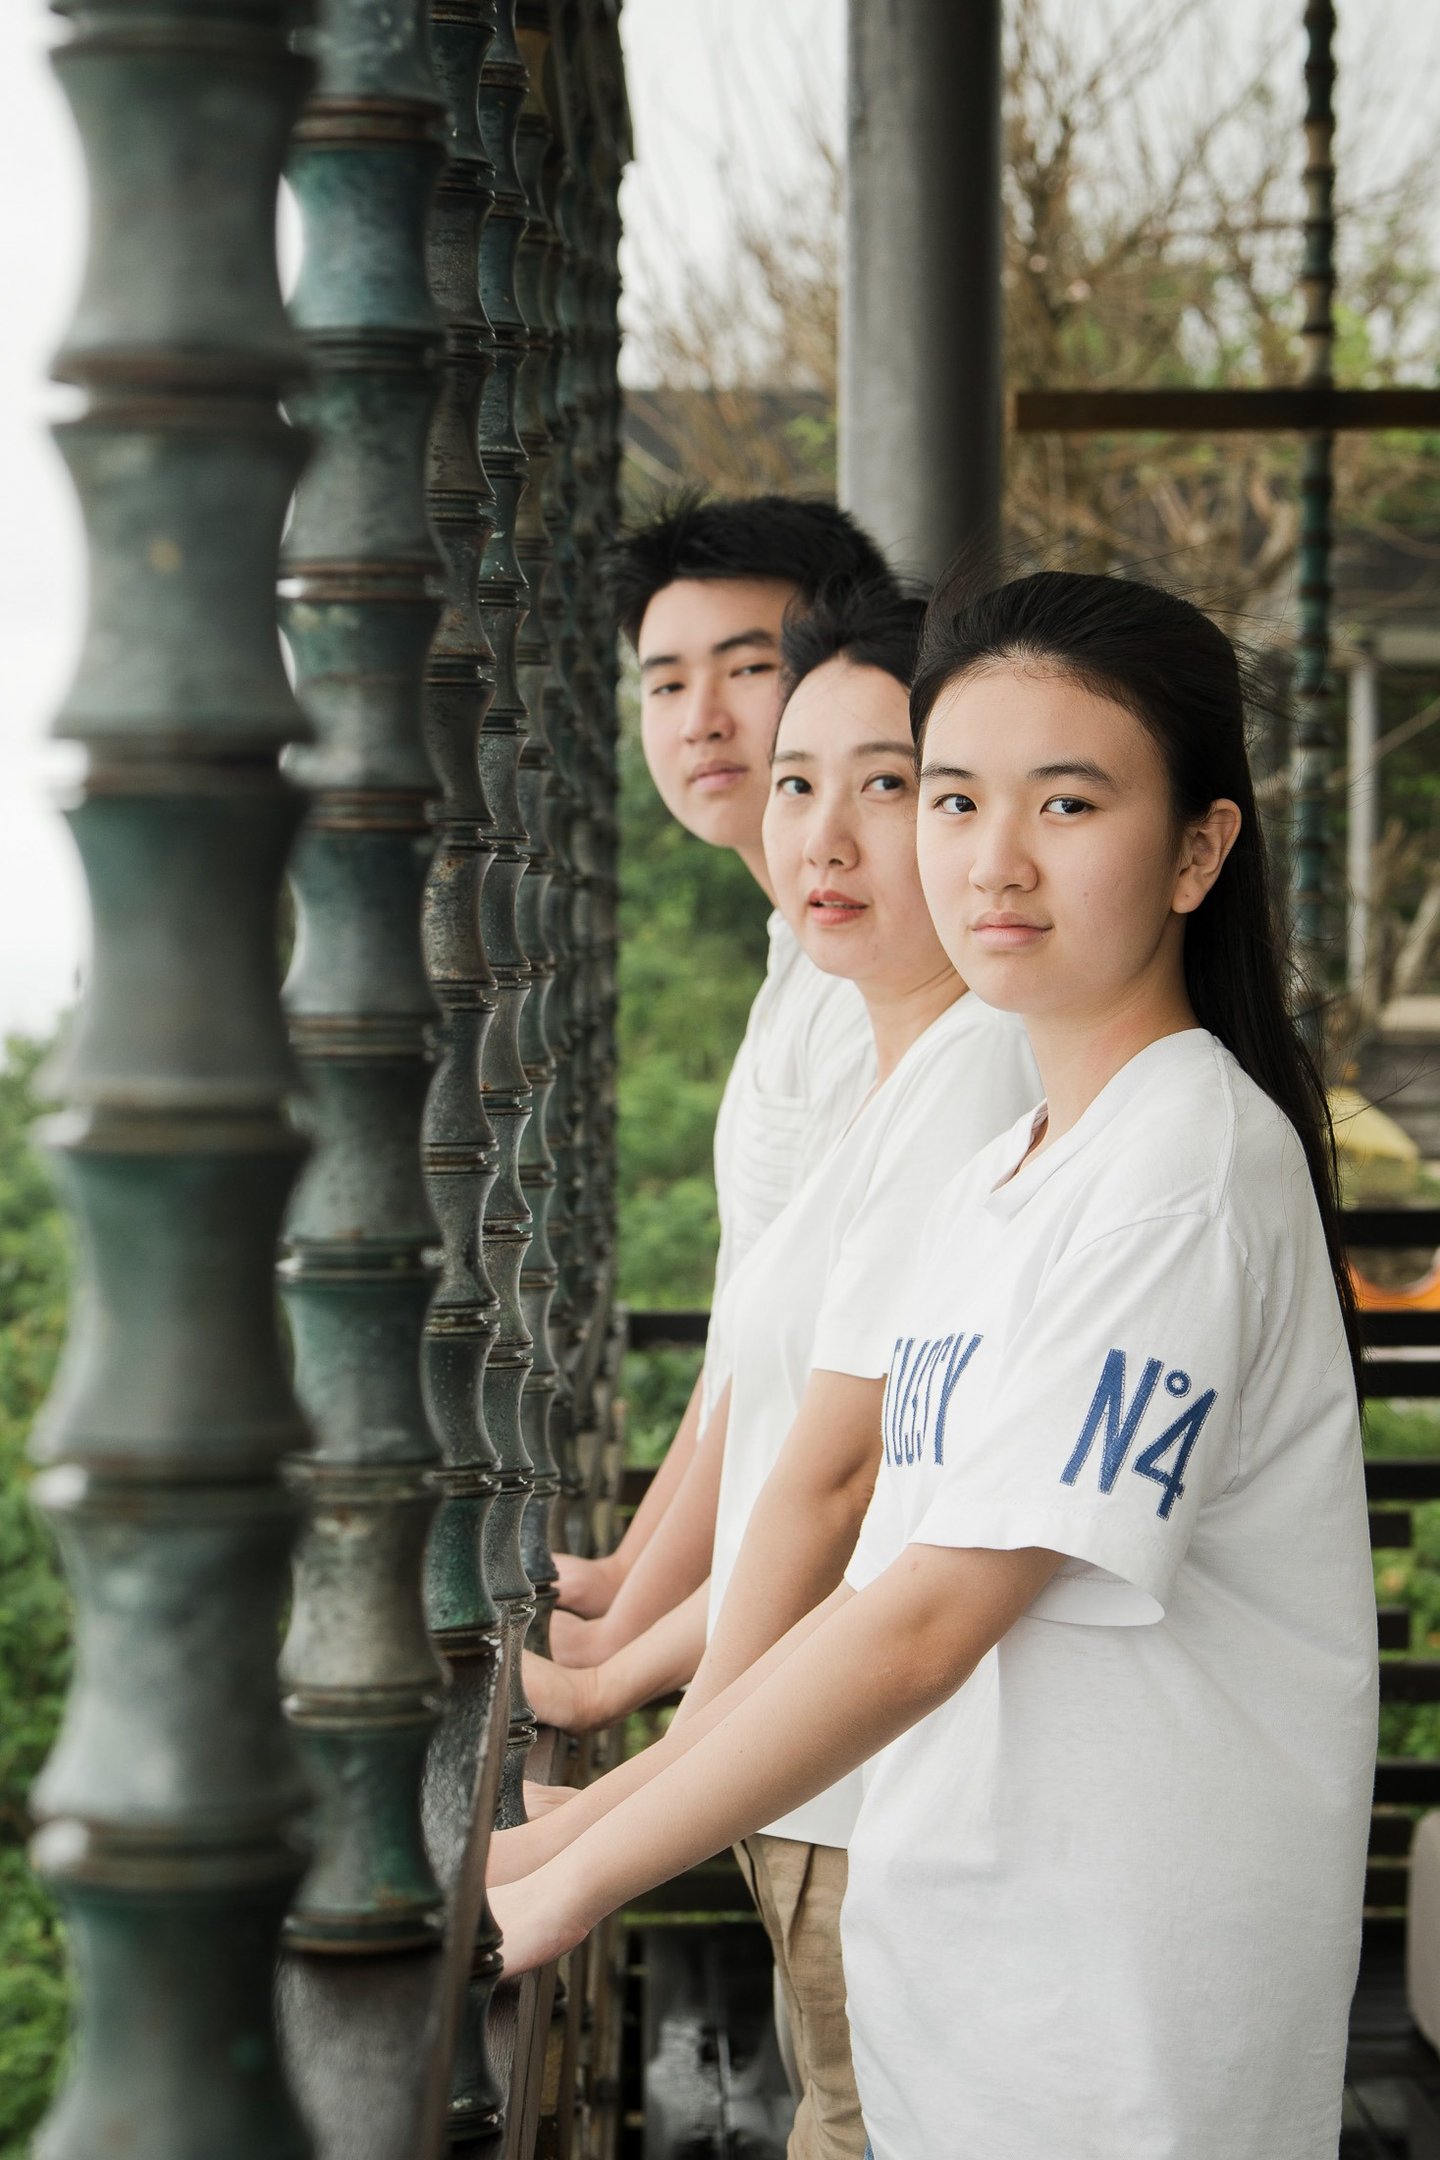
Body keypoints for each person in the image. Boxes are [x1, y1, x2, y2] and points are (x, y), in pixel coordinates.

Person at [491, 569, 1378, 2160]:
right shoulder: (1016, 1163)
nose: (996, 858)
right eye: (958, 798)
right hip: (963, 2010)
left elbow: (920, 1621)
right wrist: (597, 1812)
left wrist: (575, 1874)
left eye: (1069, 803)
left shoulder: (1182, 1168)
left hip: (1121, 2055)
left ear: (1198, 850)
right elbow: (879, 1553)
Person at [527, 584, 1039, 2160]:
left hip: (869, 1794)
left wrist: (623, 1786)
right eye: (799, 782)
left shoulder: (974, 1079)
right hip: (807, 1779)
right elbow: (775, 1430)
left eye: (890, 785)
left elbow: (845, 1476)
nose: (822, 832)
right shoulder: (902, 1075)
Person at [551, 494, 896, 1662]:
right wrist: (621, 1583)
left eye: (747, 668)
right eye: (662, 682)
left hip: (831, 1685)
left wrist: (619, 1654)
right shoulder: (798, 957)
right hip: (778, 1659)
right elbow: (744, 1348)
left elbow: (835, 1412)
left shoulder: (886, 987)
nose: (700, 720)